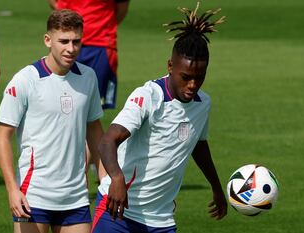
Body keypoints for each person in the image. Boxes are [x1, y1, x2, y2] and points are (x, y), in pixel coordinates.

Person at [93, 3, 227, 233]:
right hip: (117, 211)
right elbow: (108, 140)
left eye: (199, 77)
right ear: (170, 66)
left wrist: (216, 187)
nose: (192, 85)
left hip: (161, 220)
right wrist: (116, 179)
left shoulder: (202, 103)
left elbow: (198, 144)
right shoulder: (149, 97)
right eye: (186, 77)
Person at [0, 10, 105, 233]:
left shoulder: (88, 77)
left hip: (75, 197)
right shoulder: (25, 80)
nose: (71, 49)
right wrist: (12, 190)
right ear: (48, 40)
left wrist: (104, 179)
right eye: (63, 41)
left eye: (76, 41)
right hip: (33, 195)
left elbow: (94, 131)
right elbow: (2, 138)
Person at [48, 0, 130, 109]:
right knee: (58, 102)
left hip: (100, 45)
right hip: (65, 42)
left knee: (94, 108)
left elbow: (122, 7)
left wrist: (100, 26)